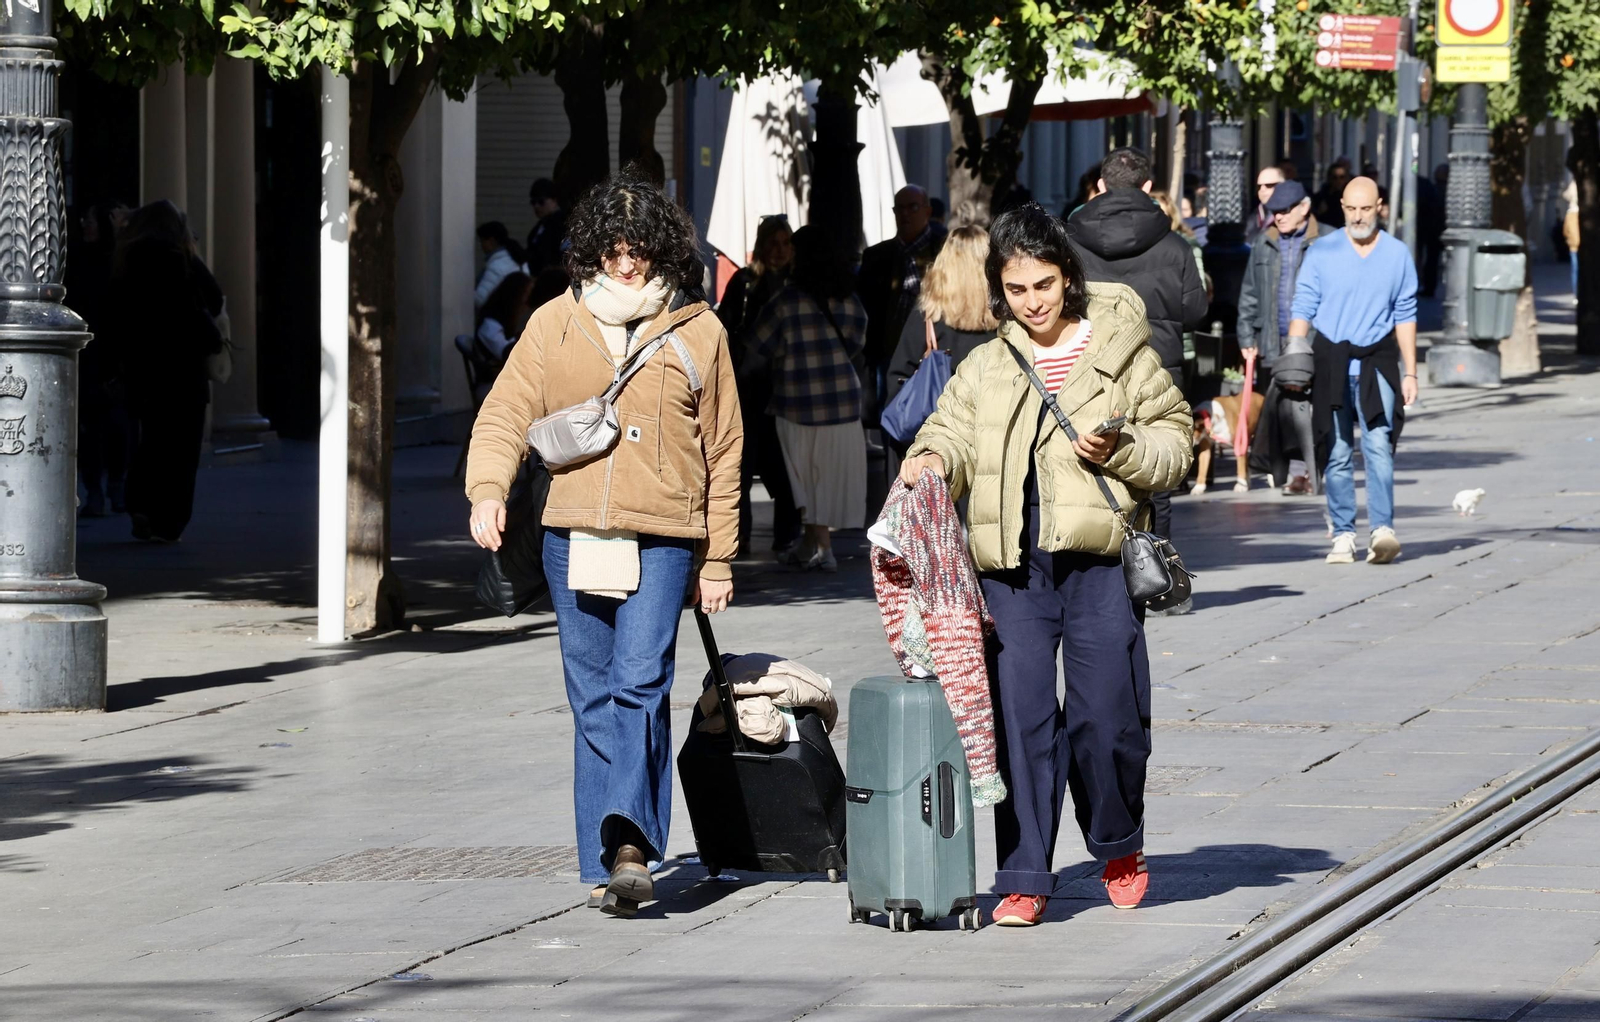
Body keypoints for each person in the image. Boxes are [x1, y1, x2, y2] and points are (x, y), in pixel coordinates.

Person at [900, 203, 1192, 927]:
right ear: (1001, 289)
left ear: (1068, 278)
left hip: (1097, 563)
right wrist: (933, 459)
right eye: (1019, 289)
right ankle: (1025, 872)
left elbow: (1176, 442)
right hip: (1011, 566)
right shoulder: (987, 364)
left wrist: (1121, 452)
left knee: (1107, 718)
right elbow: (950, 430)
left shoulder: (1119, 350)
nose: (1034, 302)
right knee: (1020, 718)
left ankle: (1118, 843)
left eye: (1046, 285)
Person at [464, 171, 742, 918]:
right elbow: (503, 414)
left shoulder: (699, 331)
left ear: (663, 252)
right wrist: (488, 490)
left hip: (664, 536)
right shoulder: (554, 323)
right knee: (591, 695)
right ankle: (602, 856)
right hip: (573, 534)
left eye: (640, 251)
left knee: (640, 681)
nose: (627, 265)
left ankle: (630, 846)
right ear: (590, 252)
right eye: (613, 252)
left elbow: (724, 448)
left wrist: (717, 557)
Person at [1067, 146, 1206, 612]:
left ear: (1101, 186)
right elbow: (1196, 310)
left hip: (1091, 368)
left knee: (1093, 462)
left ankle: (1098, 577)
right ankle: (1156, 576)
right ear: (1149, 188)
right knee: (1157, 466)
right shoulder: (1174, 245)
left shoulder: (1072, 240)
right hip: (1159, 365)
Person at [1288, 176, 1419, 566]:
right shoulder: (1322, 251)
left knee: (1379, 446)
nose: (1359, 216)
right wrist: (1294, 358)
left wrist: (1410, 372)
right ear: (1342, 207)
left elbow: (1406, 315)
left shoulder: (1397, 254)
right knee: (1338, 449)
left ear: (1379, 206)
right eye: (1351, 209)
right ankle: (1343, 534)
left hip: (1378, 362)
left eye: (1366, 208)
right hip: (1331, 360)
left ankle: (1382, 530)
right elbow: (1303, 307)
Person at [751, 225, 869, 573]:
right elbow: (860, 340)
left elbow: (759, 346)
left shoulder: (786, 302)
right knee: (829, 478)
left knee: (805, 479)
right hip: (843, 403)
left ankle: (822, 548)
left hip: (796, 403)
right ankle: (812, 544)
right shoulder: (849, 299)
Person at [111, 200, 225, 543]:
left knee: (152, 440)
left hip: (144, 367)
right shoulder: (183, 258)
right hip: (184, 366)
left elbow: (114, 311)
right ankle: (169, 520)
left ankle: (141, 505)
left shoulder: (127, 259)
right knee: (183, 447)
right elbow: (215, 298)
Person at [716, 214, 801, 558]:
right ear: (761, 246)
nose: (779, 251)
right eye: (773, 243)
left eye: (785, 243)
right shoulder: (745, 281)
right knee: (743, 465)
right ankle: (741, 537)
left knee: (784, 469)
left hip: (787, 387)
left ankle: (787, 535)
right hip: (749, 388)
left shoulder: (799, 282)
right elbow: (725, 326)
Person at [1237, 180, 1323, 492]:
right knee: (1284, 411)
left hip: (1315, 340)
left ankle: (1309, 470)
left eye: (1286, 210)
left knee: (1313, 410)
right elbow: (1249, 292)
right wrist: (1246, 335)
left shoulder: (1325, 240)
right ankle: (1292, 471)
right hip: (1274, 339)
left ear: (1304, 207)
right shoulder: (1264, 241)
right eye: (1275, 212)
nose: (1279, 217)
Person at [884, 224, 1000, 429]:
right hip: (991, 431)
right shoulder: (1004, 319)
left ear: (944, 264)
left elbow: (898, 378)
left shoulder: (927, 317)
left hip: (937, 434)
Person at [65, 202, 130, 517]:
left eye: (91, 219)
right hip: (87, 352)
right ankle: (95, 490)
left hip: (111, 351)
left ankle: (115, 486)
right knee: (91, 427)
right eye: (84, 220)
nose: (86, 224)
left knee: (116, 425)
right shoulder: (78, 261)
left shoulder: (116, 261)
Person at [858, 185, 947, 414]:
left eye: (912, 207)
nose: (905, 214)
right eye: (899, 209)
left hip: (931, 352)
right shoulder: (876, 256)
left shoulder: (944, 251)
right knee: (891, 417)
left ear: (927, 211)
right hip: (887, 354)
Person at [476, 270, 533, 363]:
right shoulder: (489, 326)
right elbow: (506, 353)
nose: (526, 303)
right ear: (513, 298)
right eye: (526, 294)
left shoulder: (507, 323)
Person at [475, 221, 527, 308]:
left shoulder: (497, 265)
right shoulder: (517, 259)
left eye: (482, 241)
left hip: (499, 315)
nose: (481, 245)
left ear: (491, 240)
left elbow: (480, 299)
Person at [525, 178, 568, 275]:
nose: (536, 206)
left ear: (554, 200)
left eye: (541, 202)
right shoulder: (541, 225)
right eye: (533, 202)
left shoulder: (562, 224)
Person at [1249, 164, 1287, 241]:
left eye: (1269, 185)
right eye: (1259, 186)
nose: (1262, 189)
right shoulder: (1250, 219)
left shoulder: (1294, 216)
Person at [1313, 161, 1352, 229]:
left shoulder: (1351, 196)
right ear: (1330, 178)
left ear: (1346, 178)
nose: (1338, 181)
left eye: (1341, 177)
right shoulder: (1321, 197)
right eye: (1335, 177)